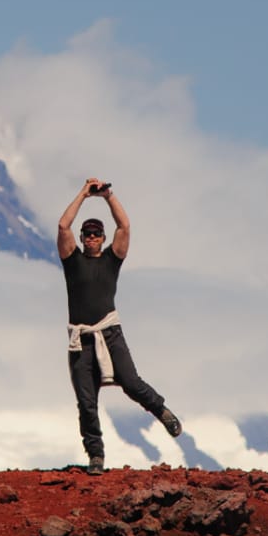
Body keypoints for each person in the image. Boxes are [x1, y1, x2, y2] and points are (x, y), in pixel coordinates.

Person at [58, 177, 182, 475]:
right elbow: (63, 227)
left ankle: (162, 411)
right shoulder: (72, 261)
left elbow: (124, 227)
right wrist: (83, 194)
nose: (91, 238)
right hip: (81, 340)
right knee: (86, 401)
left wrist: (107, 196)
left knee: (131, 382)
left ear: (102, 238)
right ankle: (96, 456)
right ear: (82, 238)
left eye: (96, 234)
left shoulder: (111, 260)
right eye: (87, 234)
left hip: (110, 334)